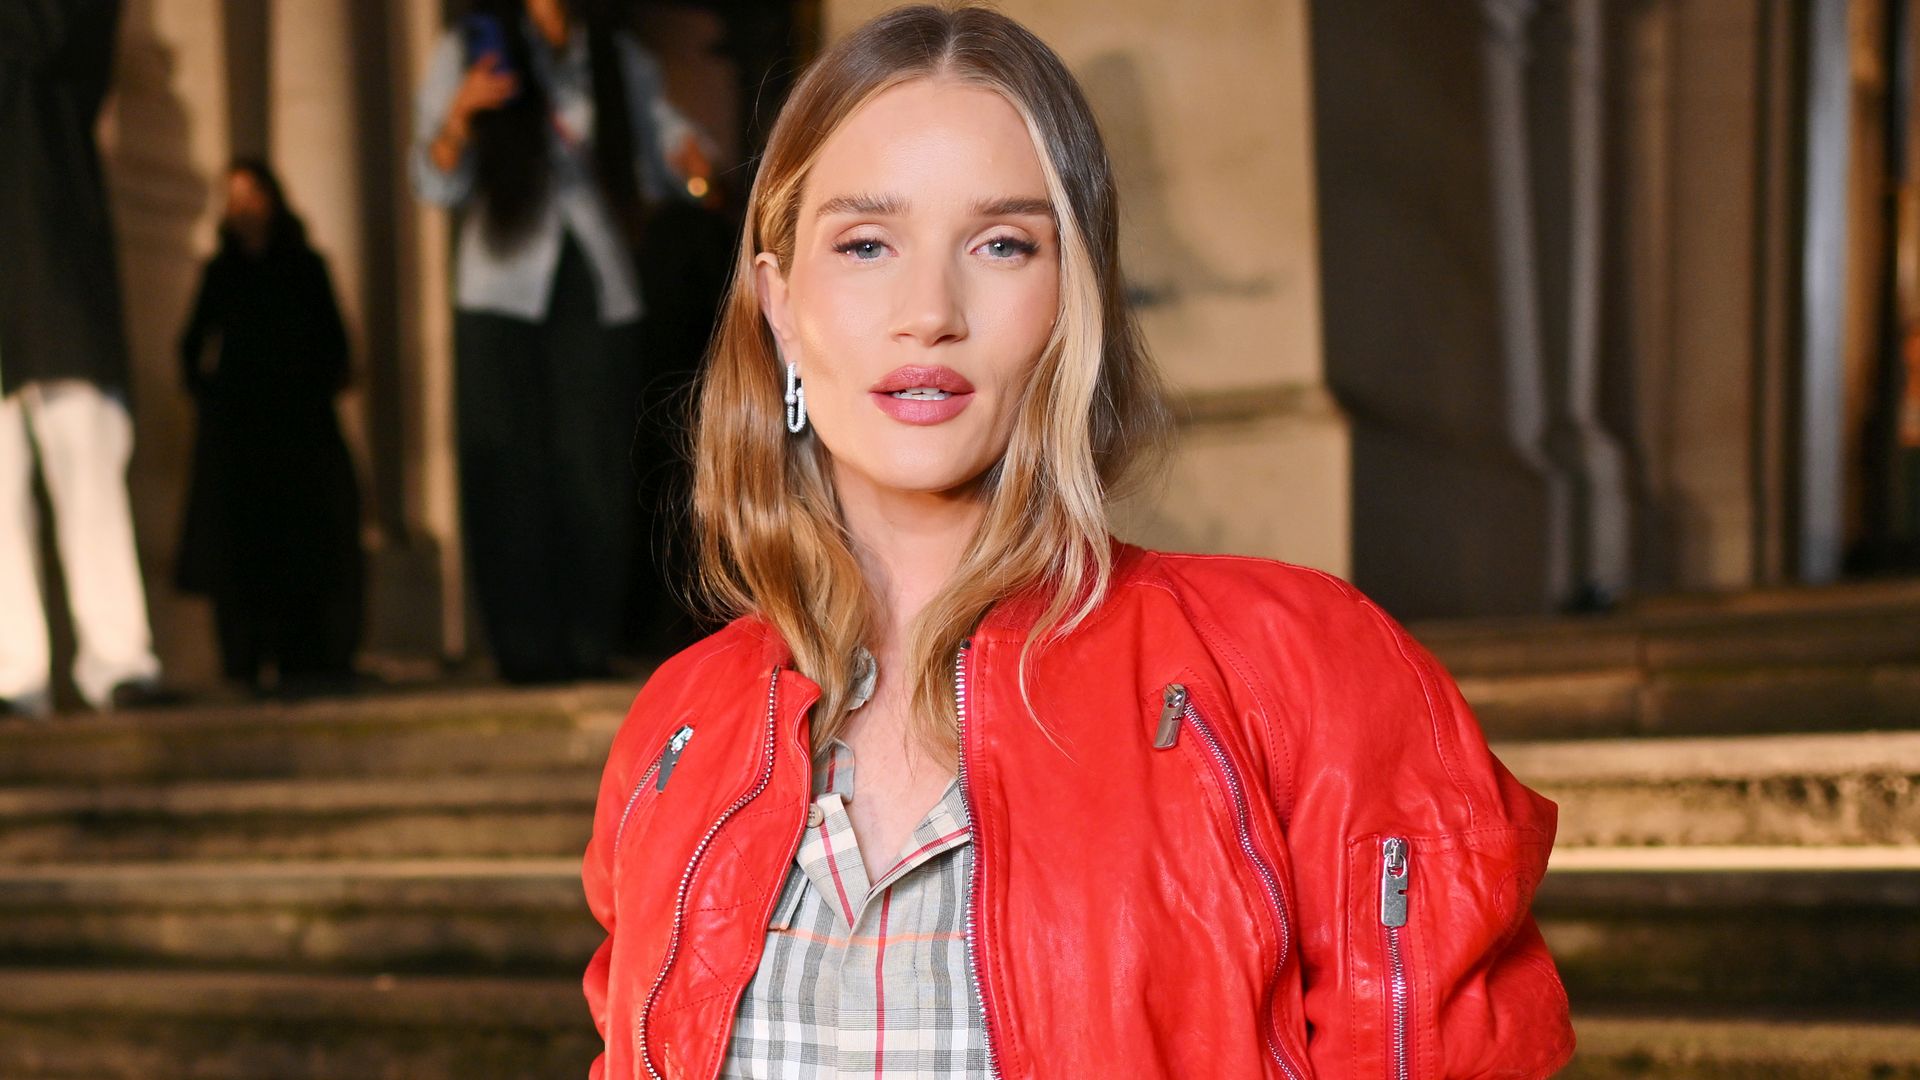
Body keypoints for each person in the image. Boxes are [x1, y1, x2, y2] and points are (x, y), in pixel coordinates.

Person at [580, 5, 1575, 1079]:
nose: (930, 310)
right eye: (866, 244)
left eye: (1002, 244)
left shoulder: (1300, 674)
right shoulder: (678, 734)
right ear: (781, 306)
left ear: (1072, 297)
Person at [409, 0, 713, 684]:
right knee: (507, 466)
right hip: (499, 283)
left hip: (597, 280)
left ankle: (587, 638)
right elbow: (431, 176)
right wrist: (460, 112)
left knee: (595, 462)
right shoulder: (470, 48)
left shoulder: (616, 56)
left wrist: (691, 158)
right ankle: (522, 645)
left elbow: (665, 148)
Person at [0, 0, 168, 720]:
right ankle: (12, 672)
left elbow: (54, 39)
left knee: (86, 459)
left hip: (49, 259)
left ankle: (119, 658)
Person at [175, 160, 363, 697]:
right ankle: (246, 656)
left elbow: (336, 347)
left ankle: (310, 656)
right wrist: (215, 397)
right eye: (232, 199)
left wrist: (308, 387)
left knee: (309, 545)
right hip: (239, 440)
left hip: (300, 434)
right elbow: (192, 347)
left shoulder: (306, 267)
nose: (244, 210)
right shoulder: (220, 272)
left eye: (252, 195)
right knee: (242, 552)